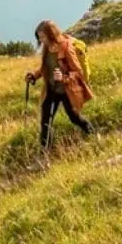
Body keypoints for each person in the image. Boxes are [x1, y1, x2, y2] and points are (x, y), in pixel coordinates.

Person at [25, 18, 93, 148]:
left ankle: (91, 132)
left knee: (74, 118)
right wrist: (34, 75)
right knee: (45, 122)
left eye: (42, 37)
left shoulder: (66, 48)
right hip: (51, 90)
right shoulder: (47, 48)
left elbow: (78, 72)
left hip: (67, 91)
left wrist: (63, 78)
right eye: (39, 38)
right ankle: (45, 151)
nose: (41, 41)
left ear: (51, 34)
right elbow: (45, 68)